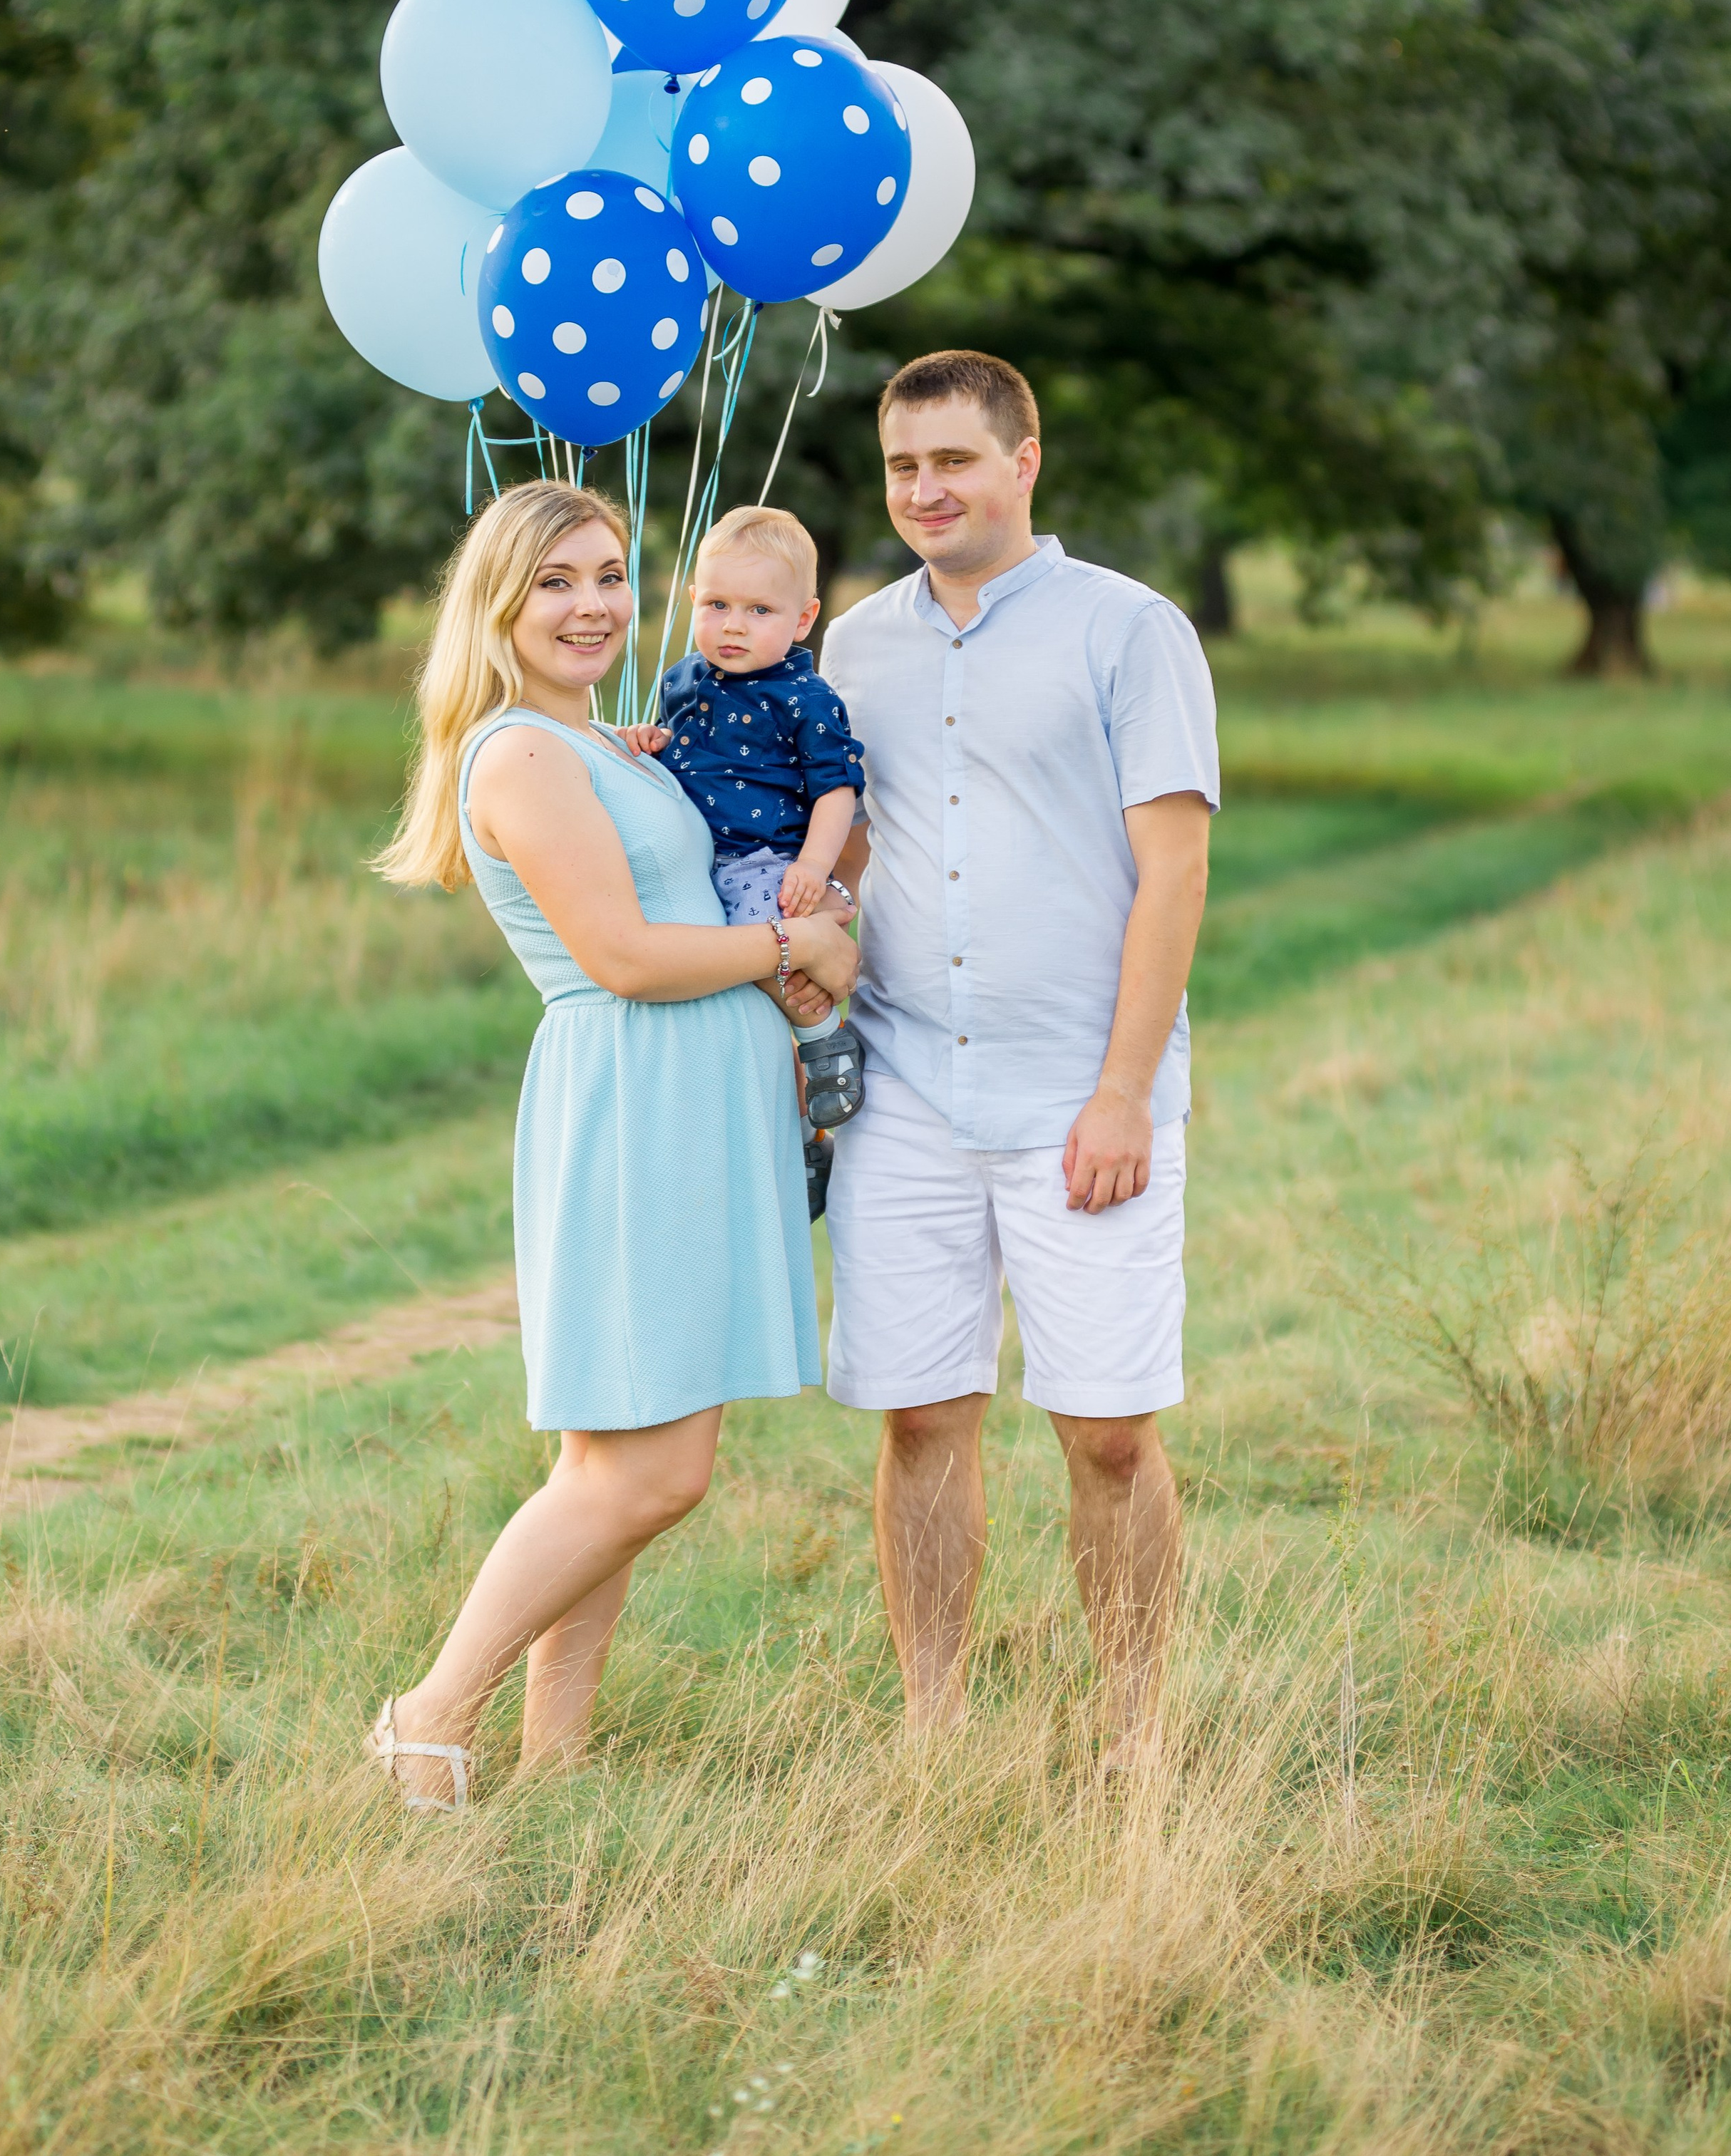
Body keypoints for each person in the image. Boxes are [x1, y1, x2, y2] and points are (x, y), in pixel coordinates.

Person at [369, 479, 859, 1810]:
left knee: (610, 1459)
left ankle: (559, 1759)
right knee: (656, 1471)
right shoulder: (522, 755)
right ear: (498, 606)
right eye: (556, 583)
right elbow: (628, 956)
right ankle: (429, 1712)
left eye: (608, 576)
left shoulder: (601, 742)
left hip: (692, 1095)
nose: (592, 606)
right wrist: (793, 942)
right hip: (641, 1098)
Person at [819, 351, 1218, 1772]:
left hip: (1081, 1097)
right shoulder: (852, 647)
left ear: (1023, 460)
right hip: (905, 1092)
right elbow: (829, 840)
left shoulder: (1130, 630)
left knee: (1107, 1431)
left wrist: (1122, 1092)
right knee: (922, 1416)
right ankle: (933, 1727)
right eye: (903, 466)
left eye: (953, 461)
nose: (925, 490)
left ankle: (1133, 1732)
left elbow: (1174, 872)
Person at [622, 503, 869, 1159]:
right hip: (694, 856)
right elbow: (682, 746)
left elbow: (837, 788)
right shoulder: (683, 679)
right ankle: (800, 1138)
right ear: (692, 600)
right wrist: (651, 739)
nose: (734, 625)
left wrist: (813, 866)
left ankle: (825, 1040)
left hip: (765, 857)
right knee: (723, 981)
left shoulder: (805, 697)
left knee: (765, 954)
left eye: (760, 610)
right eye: (718, 605)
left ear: (803, 619)